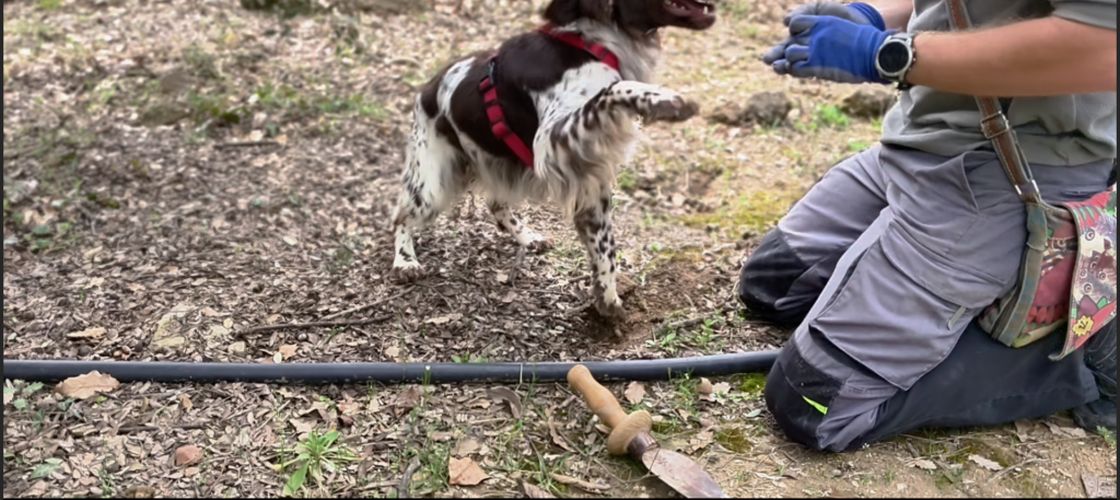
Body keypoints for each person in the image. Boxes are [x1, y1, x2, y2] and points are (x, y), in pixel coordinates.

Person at [737, 0, 1117, 452]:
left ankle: (1084, 348)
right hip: (925, 139)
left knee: (814, 402)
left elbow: (1103, 45)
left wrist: (891, 53)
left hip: (1014, 166)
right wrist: (873, 16)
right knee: (775, 284)